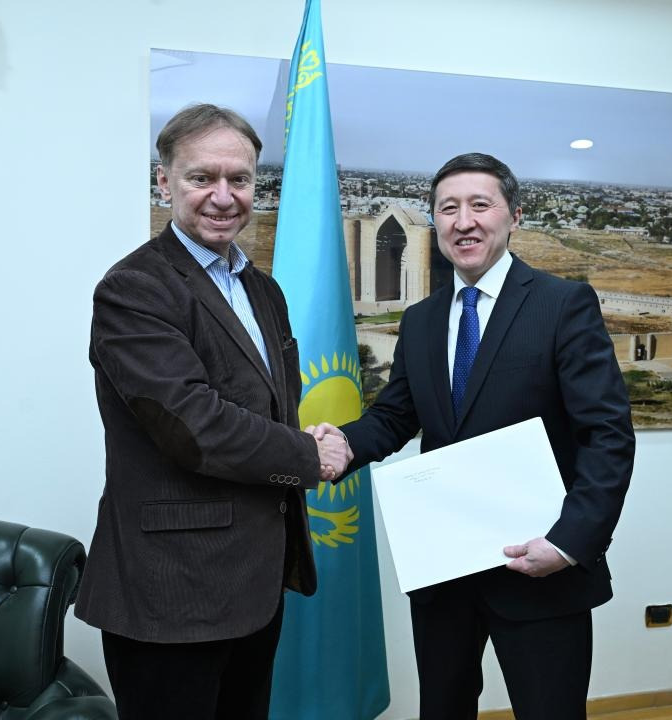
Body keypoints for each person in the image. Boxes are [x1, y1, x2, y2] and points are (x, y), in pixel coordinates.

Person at [311, 153, 635, 720]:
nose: (464, 222)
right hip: (444, 568)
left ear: (514, 216)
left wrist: (567, 543)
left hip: (538, 565)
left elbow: (607, 435)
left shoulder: (563, 304)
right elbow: (396, 416)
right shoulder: (421, 319)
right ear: (434, 222)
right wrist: (343, 446)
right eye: (448, 208)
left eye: (480, 205)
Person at [74, 103, 349, 720]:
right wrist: (309, 455)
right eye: (202, 177)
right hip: (172, 591)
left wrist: (300, 438)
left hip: (255, 580)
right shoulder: (134, 289)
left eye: (240, 179)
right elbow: (192, 425)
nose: (224, 197)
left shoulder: (262, 289)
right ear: (164, 181)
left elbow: (266, 405)